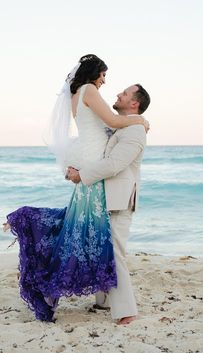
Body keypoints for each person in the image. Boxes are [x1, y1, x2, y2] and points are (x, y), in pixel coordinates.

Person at [3, 54, 149, 322]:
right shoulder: (95, 99)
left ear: (134, 103)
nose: (109, 85)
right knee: (94, 243)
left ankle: (115, 307)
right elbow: (107, 133)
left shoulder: (126, 125)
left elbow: (112, 156)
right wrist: (78, 169)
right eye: (103, 75)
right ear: (93, 73)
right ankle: (109, 305)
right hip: (97, 185)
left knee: (100, 245)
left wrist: (81, 171)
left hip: (110, 192)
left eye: (124, 92)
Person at [67, 83, 150, 325]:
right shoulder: (120, 127)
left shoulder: (135, 131)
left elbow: (114, 164)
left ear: (134, 103)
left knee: (115, 253)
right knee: (101, 248)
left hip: (120, 200)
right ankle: (103, 300)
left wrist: (82, 176)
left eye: (124, 94)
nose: (117, 94)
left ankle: (127, 310)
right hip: (103, 198)